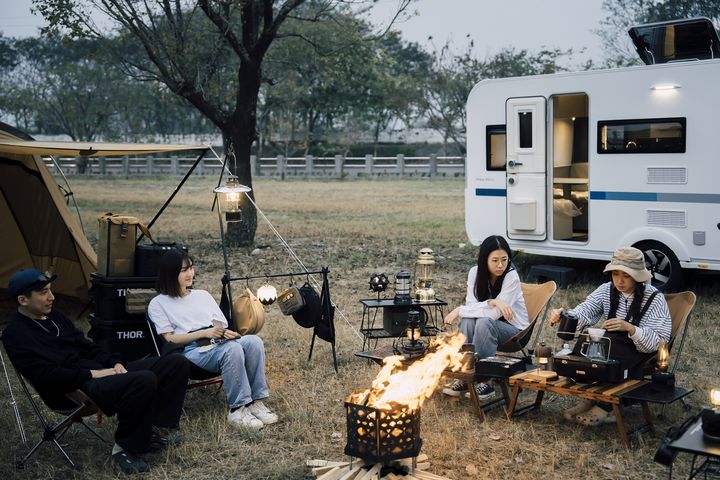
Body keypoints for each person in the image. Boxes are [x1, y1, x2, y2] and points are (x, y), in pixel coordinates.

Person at [2, 269, 189, 475]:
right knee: (143, 380)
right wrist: (94, 374)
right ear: (23, 300)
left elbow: (87, 346)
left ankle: (154, 429)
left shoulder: (54, 317)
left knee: (175, 363)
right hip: (72, 390)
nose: (52, 297)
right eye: (44, 292)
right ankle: (125, 448)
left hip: (97, 373)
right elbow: (46, 376)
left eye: (51, 290)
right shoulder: (15, 335)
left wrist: (114, 362)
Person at [147, 250, 277, 430]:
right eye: (184, 270)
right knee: (232, 350)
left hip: (218, 342)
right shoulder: (159, 303)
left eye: (191, 268)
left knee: (253, 342)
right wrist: (204, 333)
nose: (190, 274)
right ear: (170, 273)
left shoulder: (202, 295)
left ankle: (256, 402)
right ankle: (238, 409)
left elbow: (220, 324)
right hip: (191, 351)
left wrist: (226, 333)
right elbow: (170, 339)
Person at [549, 246, 672, 426]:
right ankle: (590, 398)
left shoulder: (654, 298)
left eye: (626, 276)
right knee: (586, 341)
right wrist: (567, 315)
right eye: (615, 274)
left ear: (638, 276)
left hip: (640, 350)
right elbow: (586, 309)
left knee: (611, 349)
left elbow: (660, 340)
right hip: (612, 345)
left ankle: (606, 406)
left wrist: (630, 328)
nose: (619, 281)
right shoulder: (607, 290)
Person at [442, 235, 528, 400]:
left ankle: (485, 380)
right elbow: (471, 306)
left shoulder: (511, 276)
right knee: (468, 320)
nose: (501, 265)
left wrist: (461, 309)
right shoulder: (475, 272)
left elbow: (494, 314)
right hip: (487, 325)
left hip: (515, 331)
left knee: (483, 321)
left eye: (504, 259)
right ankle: (465, 375)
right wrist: (492, 301)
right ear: (484, 259)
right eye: (495, 260)